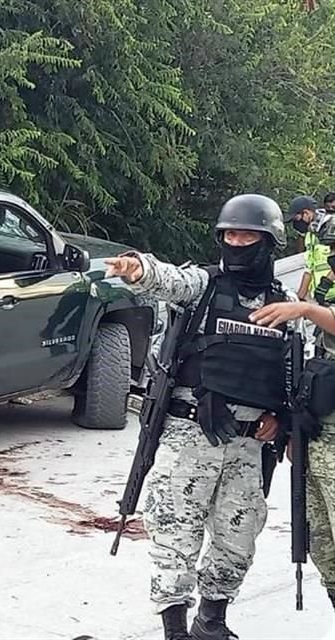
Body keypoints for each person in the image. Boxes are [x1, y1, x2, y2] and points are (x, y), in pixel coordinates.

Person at [106, 194, 295, 640]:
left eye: (248, 234)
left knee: (239, 539)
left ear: (269, 242)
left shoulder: (283, 304)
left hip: (249, 445)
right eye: (230, 234)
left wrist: (281, 419)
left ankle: (212, 623)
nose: (237, 242)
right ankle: (175, 631)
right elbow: (166, 279)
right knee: (175, 536)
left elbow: (291, 372)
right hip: (189, 435)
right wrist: (137, 268)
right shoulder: (203, 286)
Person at [250, 278, 335, 640]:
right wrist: (293, 427)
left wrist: (305, 309)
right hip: (317, 440)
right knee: (321, 546)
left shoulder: (316, 307)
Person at [285, 195, 335, 305]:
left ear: (306, 213)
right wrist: (298, 300)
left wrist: (326, 283)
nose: (296, 224)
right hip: (325, 298)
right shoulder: (311, 236)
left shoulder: (331, 227)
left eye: (297, 219)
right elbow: (309, 270)